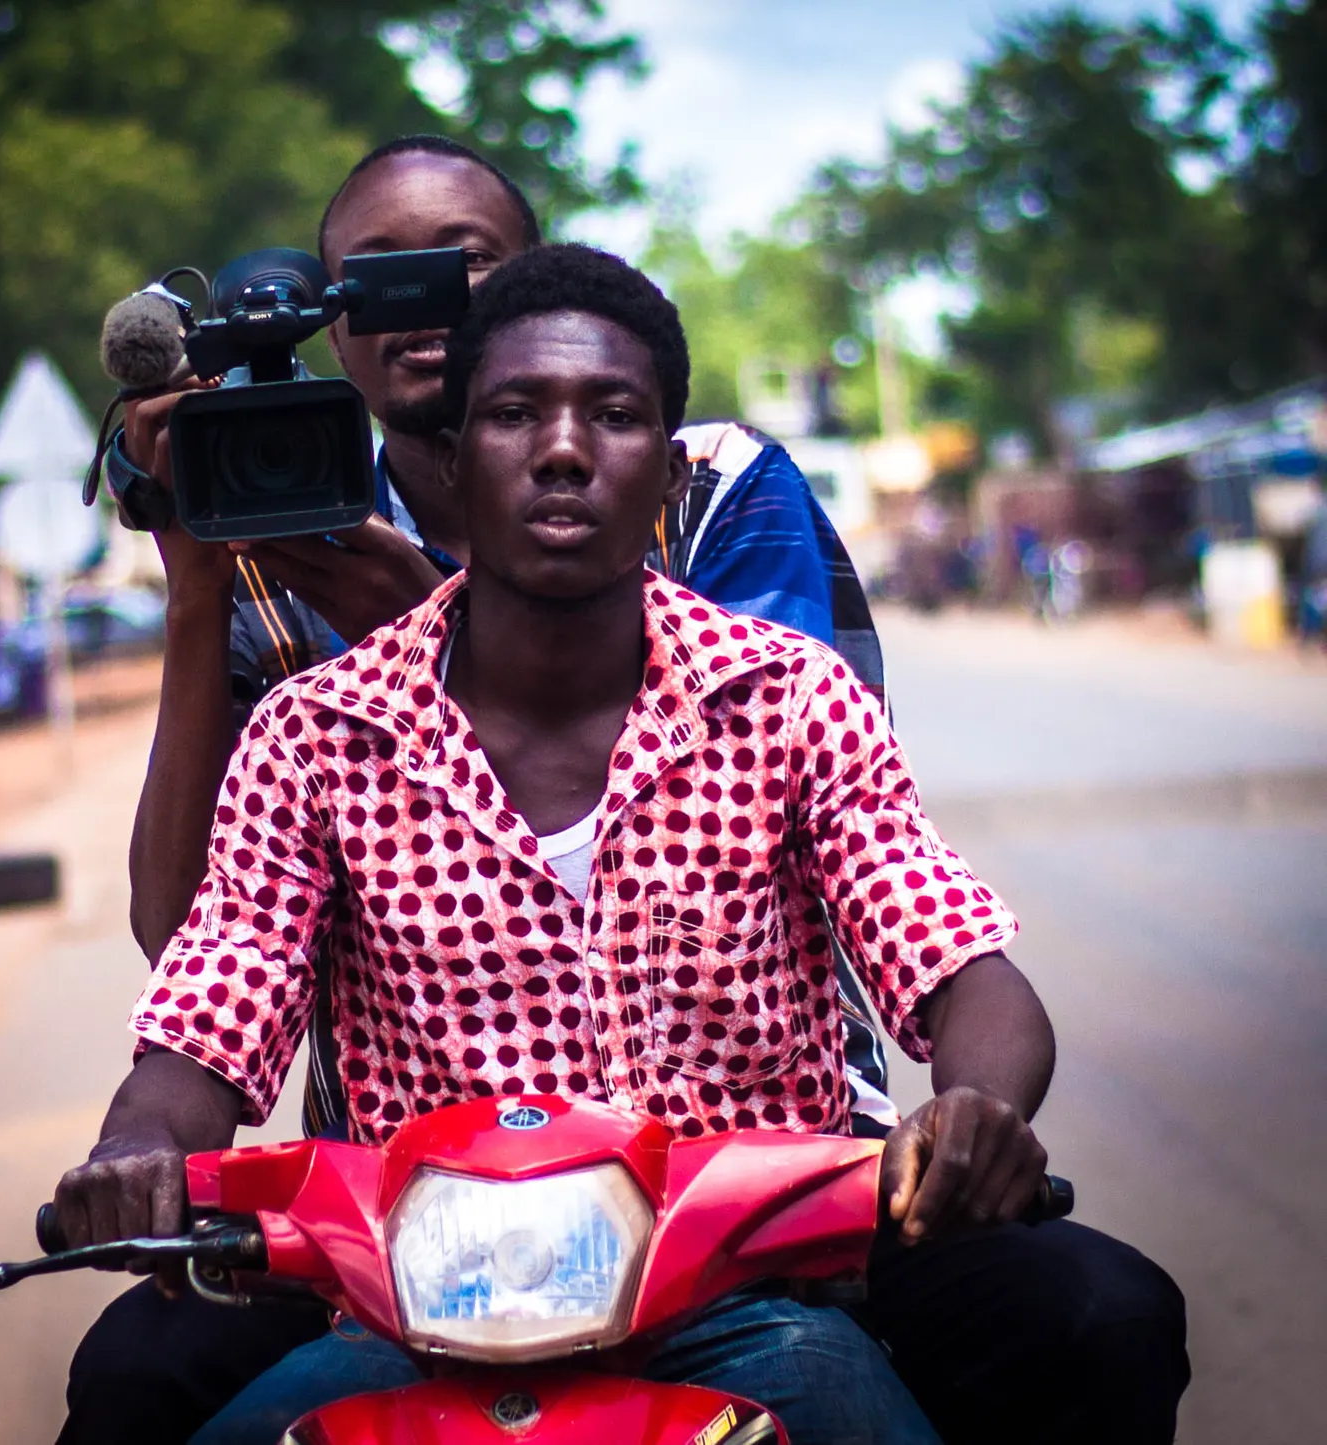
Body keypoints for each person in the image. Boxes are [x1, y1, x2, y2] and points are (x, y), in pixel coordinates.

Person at [60, 144, 1185, 1444]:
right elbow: (207, 1004)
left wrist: (975, 1107)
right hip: (412, 1289)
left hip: (754, 1263)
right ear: (448, 453)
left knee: (1094, 1316)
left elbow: (951, 957)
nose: (560, 451)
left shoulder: (786, 694)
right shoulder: (314, 735)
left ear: (667, 469)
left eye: (612, 416)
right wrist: (129, 1150)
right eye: (513, 415)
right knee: (142, 1389)